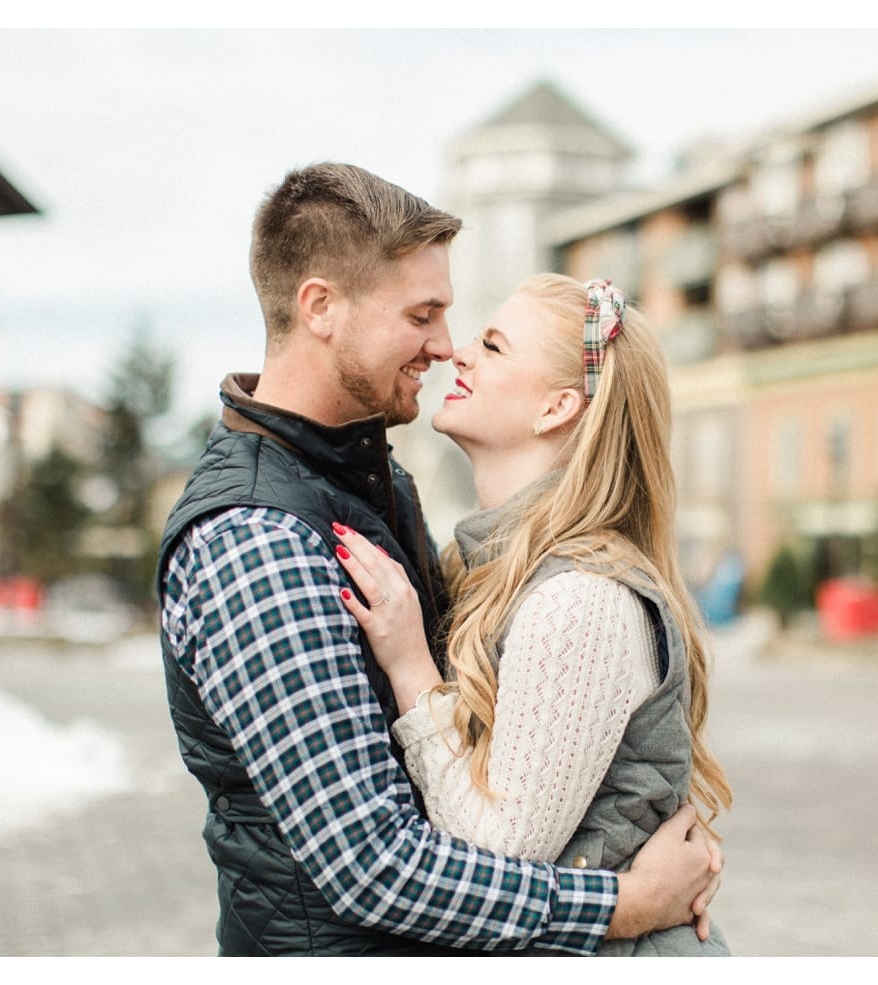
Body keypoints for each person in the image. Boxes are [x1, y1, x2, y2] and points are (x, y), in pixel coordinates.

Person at [156, 162, 721, 956]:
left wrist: (639, 823)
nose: (445, 346)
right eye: (423, 314)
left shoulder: (380, 484)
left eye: (467, 327)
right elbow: (374, 862)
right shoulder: (257, 535)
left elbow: (515, 745)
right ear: (320, 306)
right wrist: (623, 899)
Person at [331, 273, 733, 955]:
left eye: (492, 346)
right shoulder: (497, 569)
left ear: (556, 407)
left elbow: (496, 852)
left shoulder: (580, 599)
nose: (458, 353)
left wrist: (409, 666)